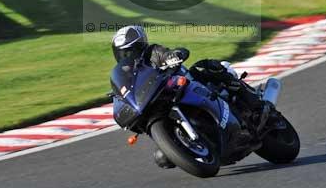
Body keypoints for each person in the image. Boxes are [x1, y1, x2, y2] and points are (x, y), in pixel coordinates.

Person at [111, 25, 266, 168]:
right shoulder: (127, 74)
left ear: (141, 45)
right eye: (123, 53)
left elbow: (167, 54)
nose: (128, 56)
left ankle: (253, 100)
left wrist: (173, 56)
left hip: (187, 86)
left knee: (207, 67)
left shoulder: (152, 53)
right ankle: (188, 144)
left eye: (131, 51)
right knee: (162, 159)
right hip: (158, 103)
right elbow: (123, 90)